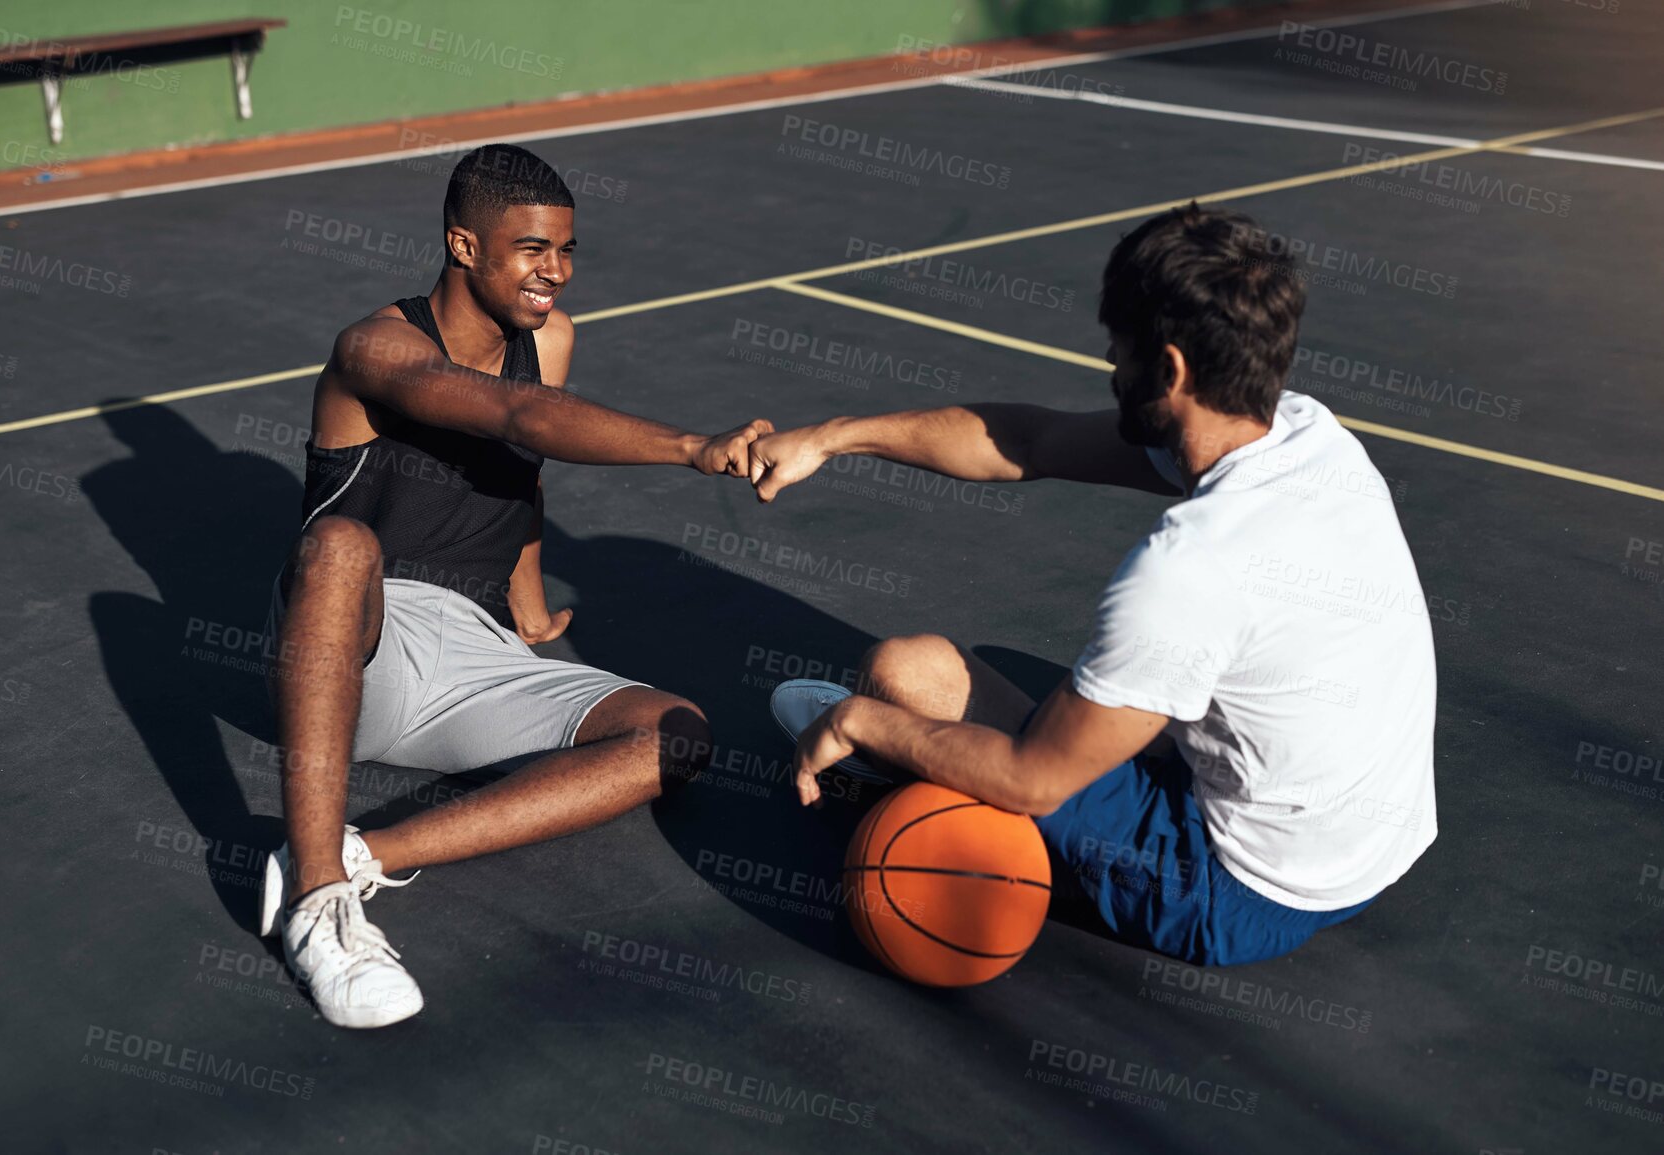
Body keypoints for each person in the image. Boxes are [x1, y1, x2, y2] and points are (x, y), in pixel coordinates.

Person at [750, 202, 1437, 968]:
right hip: (1377, 843)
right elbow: (1031, 441)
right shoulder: (1308, 434)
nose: (1110, 369)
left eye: (1117, 350)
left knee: (903, 678)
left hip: (1236, 888)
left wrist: (861, 725)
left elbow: (1032, 779)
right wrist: (832, 436)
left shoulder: (1190, 568)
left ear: (1170, 368)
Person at [260, 144, 770, 1027]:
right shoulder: (375, 347)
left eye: (567, 250)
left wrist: (526, 604)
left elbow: (523, 468)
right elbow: (515, 413)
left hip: (477, 654)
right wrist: (690, 447)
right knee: (339, 543)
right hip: (358, 645)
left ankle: (363, 854)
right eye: (533, 249)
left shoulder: (550, 340)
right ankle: (313, 901)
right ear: (463, 244)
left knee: (675, 735)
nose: (556, 273)